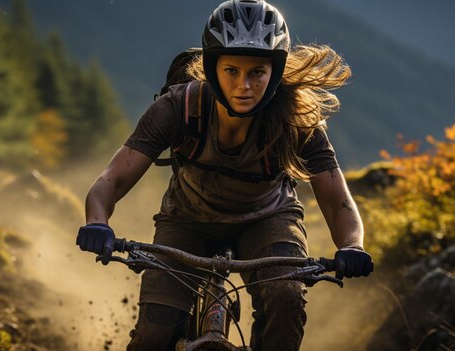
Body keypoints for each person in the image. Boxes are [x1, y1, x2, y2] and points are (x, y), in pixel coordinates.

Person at [76, 0, 373, 350]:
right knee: (155, 330)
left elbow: (338, 202)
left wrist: (352, 246)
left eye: (256, 73)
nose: (243, 85)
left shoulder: (296, 122)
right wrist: (98, 222)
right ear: (212, 67)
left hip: (267, 220)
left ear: (274, 73)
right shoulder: (178, 108)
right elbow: (112, 179)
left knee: (286, 299)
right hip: (187, 220)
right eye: (231, 70)